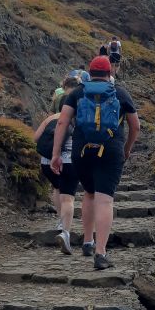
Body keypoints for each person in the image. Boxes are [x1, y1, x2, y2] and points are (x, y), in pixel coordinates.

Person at [51, 56, 140, 270]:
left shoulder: (77, 93)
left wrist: (56, 154)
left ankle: (87, 242)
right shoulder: (120, 92)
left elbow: (62, 122)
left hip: (81, 151)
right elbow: (135, 126)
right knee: (105, 200)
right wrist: (126, 149)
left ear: (90, 73)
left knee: (89, 194)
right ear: (110, 73)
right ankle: (100, 254)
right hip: (110, 150)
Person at [34, 99, 77, 255]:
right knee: (68, 198)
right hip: (68, 162)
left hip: (46, 162)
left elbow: (36, 138)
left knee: (57, 188)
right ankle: (65, 232)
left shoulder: (50, 119)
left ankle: (60, 221)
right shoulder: (76, 118)